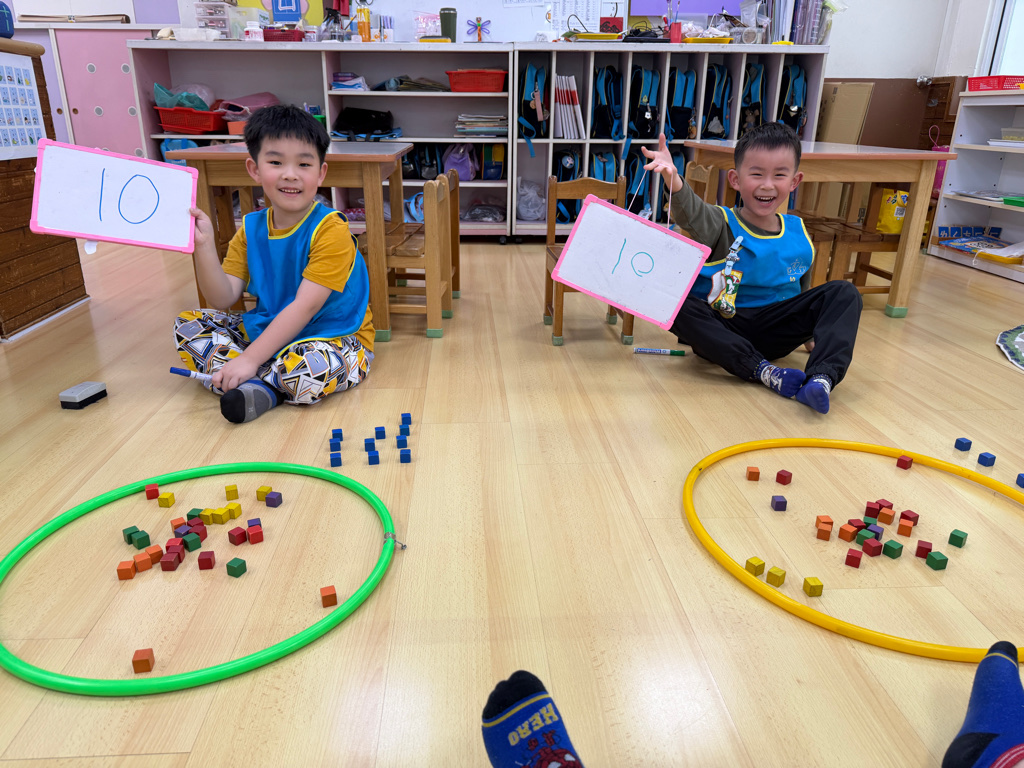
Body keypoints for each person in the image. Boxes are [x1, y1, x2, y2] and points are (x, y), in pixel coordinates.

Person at [641, 122, 862, 414]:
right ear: (735, 179)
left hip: (776, 328)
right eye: (756, 174)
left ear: (794, 181)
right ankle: (764, 372)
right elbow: (691, 211)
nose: (767, 185)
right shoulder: (720, 221)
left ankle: (821, 379)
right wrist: (673, 178)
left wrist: (811, 337)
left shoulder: (798, 231)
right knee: (675, 300)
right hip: (724, 330)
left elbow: (802, 290)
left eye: (779, 175)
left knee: (844, 292)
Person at [175, 105, 374, 423]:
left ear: (321, 173)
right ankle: (265, 381)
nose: (290, 174)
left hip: (335, 338)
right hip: (269, 331)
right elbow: (223, 297)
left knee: (311, 366)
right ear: (254, 169)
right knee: (188, 326)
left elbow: (305, 308)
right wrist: (203, 247)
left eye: (304, 164)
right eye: (276, 162)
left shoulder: (330, 229)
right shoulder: (251, 228)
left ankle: (251, 380)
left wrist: (250, 358)